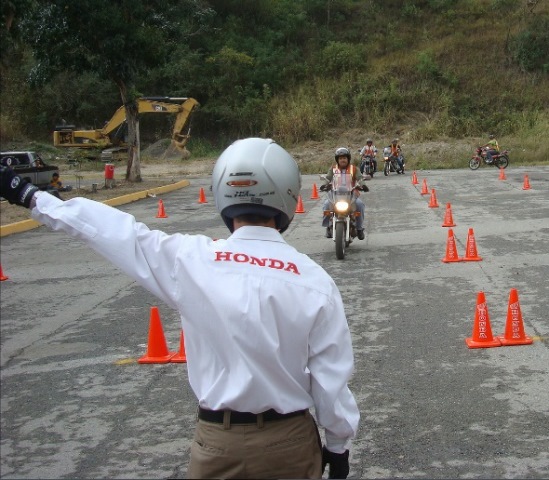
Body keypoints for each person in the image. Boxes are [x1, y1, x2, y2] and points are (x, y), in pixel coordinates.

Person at [0, 138, 359, 480]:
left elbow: (114, 231)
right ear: (288, 193)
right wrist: (338, 448)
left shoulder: (191, 260)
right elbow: (331, 381)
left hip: (217, 442)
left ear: (222, 189)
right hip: (289, 443)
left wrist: (30, 196)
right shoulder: (314, 280)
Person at [321, 147, 368, 240]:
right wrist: (324, 185)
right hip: (336, 194)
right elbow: (328, 178)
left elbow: (360, 178)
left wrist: (363, 185)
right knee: (326, 205)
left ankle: (359, 229)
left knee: (360, 205)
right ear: (337, 160)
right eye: (340, 158)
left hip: (351, 193)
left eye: (344, 158)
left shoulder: (354, 169)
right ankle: (328, 226)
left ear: (348, 159)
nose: (343, 160)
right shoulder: (333, 168)